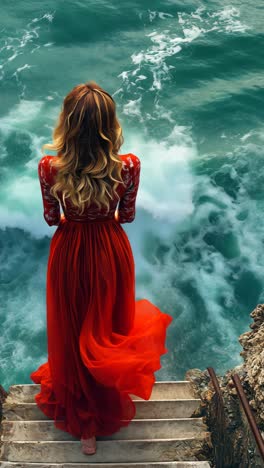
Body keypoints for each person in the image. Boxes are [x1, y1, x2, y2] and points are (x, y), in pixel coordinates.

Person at [30, 80, 173, 456]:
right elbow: (125, 216)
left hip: (70, 250)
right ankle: (103, 402)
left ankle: (84, 422)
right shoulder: (128, 166)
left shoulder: (49, 168)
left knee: (73, 326)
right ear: (110, 125)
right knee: (107, 327)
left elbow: (50, 218)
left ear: (68, 124)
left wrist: (75, 210)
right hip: (109, 249)